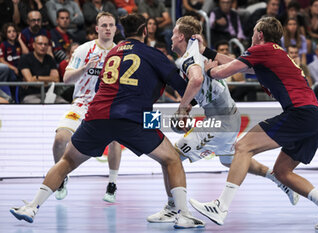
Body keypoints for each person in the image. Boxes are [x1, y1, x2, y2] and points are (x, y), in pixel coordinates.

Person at [10, 13, 205, 229]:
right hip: (134, 117)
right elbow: (185, 87)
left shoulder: (111, 53)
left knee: (66, 161)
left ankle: (32, 206)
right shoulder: (152, 54)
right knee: (172, 159)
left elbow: (97, 89)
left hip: (98, 114)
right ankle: (182, 214)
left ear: (122, 32)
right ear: (144, 32)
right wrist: (187, 101)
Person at [188, 17, 318, 230]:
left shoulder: (262, 50)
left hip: (299, 114)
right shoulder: (275, 53)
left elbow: (223, 71)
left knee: (243, 147)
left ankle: (220, 206)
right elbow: (237, 64)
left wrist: (208, 69)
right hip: (315, 117)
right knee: (282, 172)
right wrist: (206, 50)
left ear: (259, 34)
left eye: (253, 32)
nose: (252, 36)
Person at [147, 15, 299, 224]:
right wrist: (188, 107)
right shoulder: (194, 52)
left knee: (171, 157)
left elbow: (197, 79)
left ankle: (175, 209)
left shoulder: (188, 58)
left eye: (173, 33)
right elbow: (202, 83)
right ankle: (278, 179)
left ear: (181, 36)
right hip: (226, 115)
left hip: (221, 120)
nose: (171, 37)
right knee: (229, 159)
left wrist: (181, 110)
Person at [53, 12, 121, 203]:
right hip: (83, 103)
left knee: (115, 139)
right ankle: (60, 177)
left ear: (115, 29)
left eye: (111, 25)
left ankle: (112, 184)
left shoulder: (122, 53)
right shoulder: (84, 50)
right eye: (104, 25)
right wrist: (85, 68)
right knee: (60, 139)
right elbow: (66, 79)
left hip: (108, 104)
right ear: (97, 29)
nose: (108, 28)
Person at [17, 35, 67, 103]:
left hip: (49, 94)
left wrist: (36, 78)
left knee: (63, 103)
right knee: (38, 105)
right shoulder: (25, 58)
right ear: (34, 45)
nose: (43, 46)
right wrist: (48, 80)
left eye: (45, 44)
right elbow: (30, 81)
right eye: (40, 44)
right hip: (30, 95)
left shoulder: (50, 59)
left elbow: (56, 79)